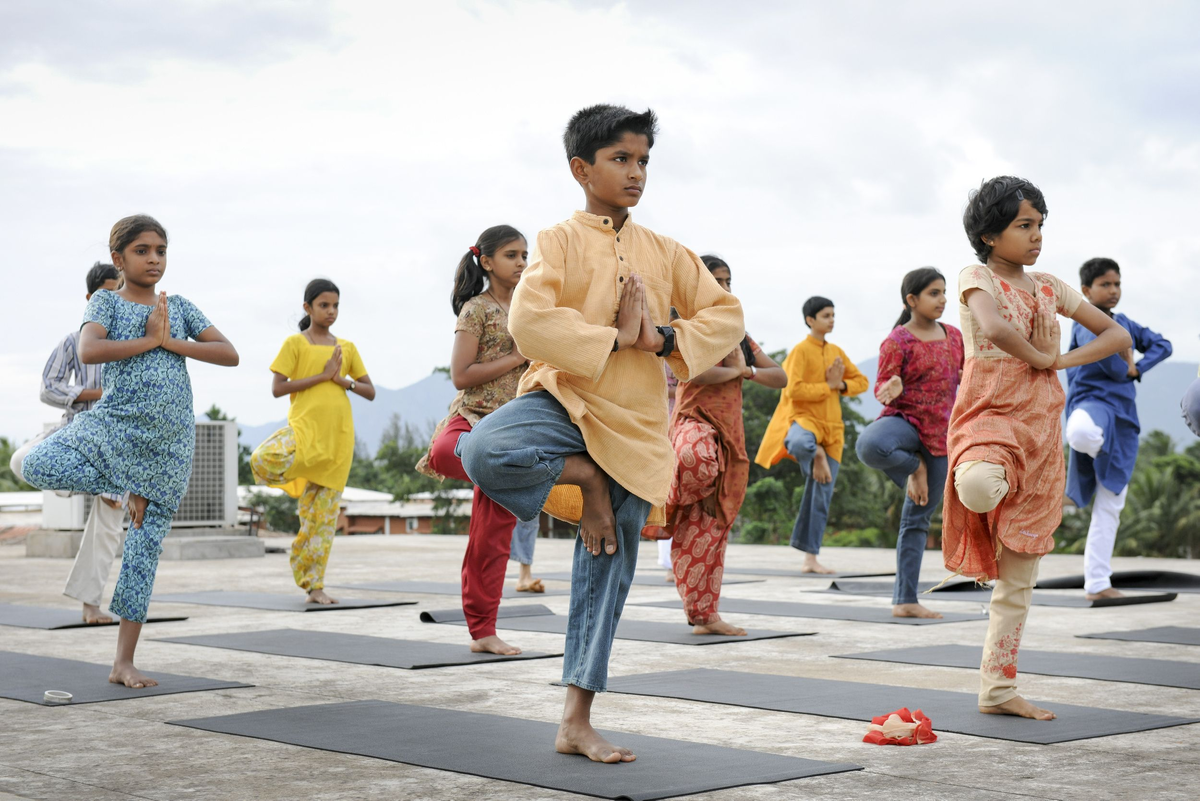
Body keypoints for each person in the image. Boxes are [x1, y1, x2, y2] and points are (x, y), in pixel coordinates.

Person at [458, 104, 743, 763]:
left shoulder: (667, 252)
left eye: (643, 159)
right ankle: (583, 477)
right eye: (621, 159)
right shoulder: (557, 240)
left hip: (635, 427)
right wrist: (616, 336)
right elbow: (530, 323)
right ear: (581, 169)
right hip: (563, 397)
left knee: (604, 579)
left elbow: (726, 315)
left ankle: (576, 720)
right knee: (482, 447)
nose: (636, 171)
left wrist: (664, 336)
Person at [20, 214, 239, 688]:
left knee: (143, 555)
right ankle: (127, 486)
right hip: (116, 427)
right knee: (36, 462)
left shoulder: (177, 307)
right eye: (143, 250)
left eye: (161, 250)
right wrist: (147, 340)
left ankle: (123, 662)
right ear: (119, 258)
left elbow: (229, 353)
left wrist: (170, 341)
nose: (154, 259)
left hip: (170, 444)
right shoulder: (106, 301)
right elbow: (88, 351)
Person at [944, 177, 1130, 721]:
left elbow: (1116, 336)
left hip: (1043, 429)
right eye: (1024, 225)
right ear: (988, 234)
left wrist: (1060, 363)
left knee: (1019, 580)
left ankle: (998, 691)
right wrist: (1042, 356)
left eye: (1040, 225)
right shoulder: (975, 276)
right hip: (989, 416)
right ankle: (982, 526)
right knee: (978, 486)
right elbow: (997, 329)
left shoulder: (1050, 286)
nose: (1036, 235)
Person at [415, 225, 534, 654]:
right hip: (471, 421)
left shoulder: (532, 306)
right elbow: (461, 376)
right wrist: (517, 356)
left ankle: (483, 632)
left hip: (511, 430)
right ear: (486, 262)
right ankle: (490, 464)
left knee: (491, 541)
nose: (522, 262)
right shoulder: (476, 310)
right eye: (511, 255)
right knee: (446, 454)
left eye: (525, 254)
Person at [667, 255, 786, 634]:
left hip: (730, 440)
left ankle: (705, 616)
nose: (724, 288)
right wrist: (735, 371)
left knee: (710, 528)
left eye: (728, 281)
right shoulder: (683, 329)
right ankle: (661, 501)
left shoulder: (738, 335)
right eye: (715, 281)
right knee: (695, 459)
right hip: (694, 424)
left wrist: (746, 369)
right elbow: (692, 371)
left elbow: (779, 376)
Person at [9, 263, 126, 624]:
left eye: (119, 293)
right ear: (91, 298)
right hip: (75, 432)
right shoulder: (74, 340)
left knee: (107, 522)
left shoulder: (132, 341)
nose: (113, 300)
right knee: (19, 461)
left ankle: (91, 607)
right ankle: (94, 484)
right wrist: (93, 393)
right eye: (106, 294)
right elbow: (49, 387)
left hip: (115, 442)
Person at [251, 279, 375, 605]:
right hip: (305, 432)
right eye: (324, 305)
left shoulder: (345, 348)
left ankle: (314, 586)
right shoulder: (295, 343)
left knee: (320, 522)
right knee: (262, 458)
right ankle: (299, 473)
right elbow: (278, 388)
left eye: (335, 306)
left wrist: (341, 380)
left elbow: (370, 391)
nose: (331, 311)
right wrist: (322, 377)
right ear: (308, 308)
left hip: (337, 441)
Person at [856, 268, 964, 619]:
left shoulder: (955, 337)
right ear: (912, 300)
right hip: (906, 424)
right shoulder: (897, 341)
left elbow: (966, 376)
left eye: (944, 292)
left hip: (941, 434)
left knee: (916, 520)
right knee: (869, 445)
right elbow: (882, 388)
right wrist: (892, 389)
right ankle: (912, 468)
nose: (942, 299)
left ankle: (905, 600)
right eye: (934, 293)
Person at [1065, 258, 1171, 600]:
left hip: (1122, 413)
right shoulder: (1084, 322)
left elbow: (1162, 345)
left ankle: (1097, 584)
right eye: (1105, 285)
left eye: (1117, 284)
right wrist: (1126, 362)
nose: (1113, 291)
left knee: (1110, 505)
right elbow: (1112, 367)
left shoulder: (1124, 323)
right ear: (1086, 291)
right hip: (1091, 404)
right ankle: (1101, 461)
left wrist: (1137, 367)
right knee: (1079, 434)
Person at [754, 296, 868, 573]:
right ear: (810, 320)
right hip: (804, 421)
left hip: (833, 431)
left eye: (833, 314)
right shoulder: (800, 351)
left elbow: (861, 382)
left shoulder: (837, 351)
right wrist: (827, 386)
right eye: (826, 315)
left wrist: (839, 383)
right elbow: (792, 390)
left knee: (820, 496)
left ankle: (810, 559)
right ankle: (815, 453)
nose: (831, 319)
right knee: (799, 443)